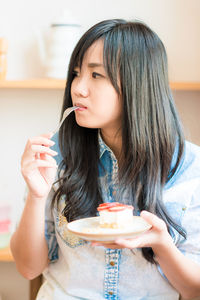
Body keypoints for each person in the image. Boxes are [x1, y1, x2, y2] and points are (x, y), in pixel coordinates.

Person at [10, 19, 200, 300]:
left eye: (96, 75)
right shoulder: (55, 154)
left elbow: (194, 290)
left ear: (139, 81)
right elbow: (28, 268)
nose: (78, 88)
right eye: (76, 74)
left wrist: (162, 245)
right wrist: (36, 197)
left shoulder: (189, 166)